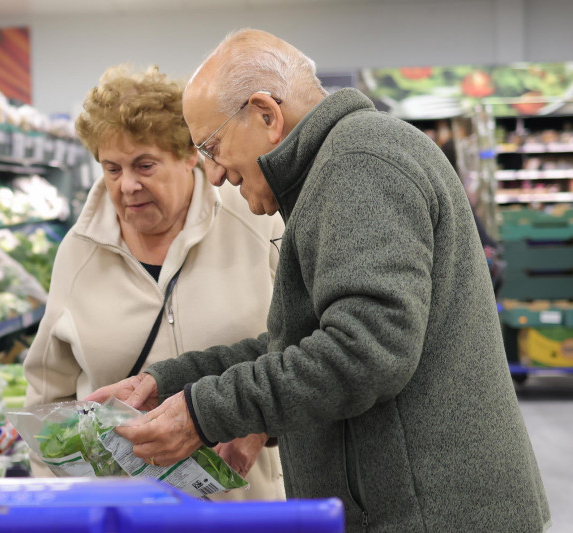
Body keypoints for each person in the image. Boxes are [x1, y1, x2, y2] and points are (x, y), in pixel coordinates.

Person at [88, 30, 551, 532]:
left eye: (213, 146)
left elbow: (365, 352)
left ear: (266, 114)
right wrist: (171, 383)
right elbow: (306, 341)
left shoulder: (359, 164)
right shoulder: (342, 163)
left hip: (427, 515)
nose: (215, 174)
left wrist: (202, 413)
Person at [23, 64, 286, 501]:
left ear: (190, 155)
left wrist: (263, 422)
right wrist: (57, 504)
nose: (127, 185)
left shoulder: (255, 222)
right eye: (111, 169)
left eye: (145, 165)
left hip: (246, 505)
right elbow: (46, 402)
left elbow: (302, 349)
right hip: (122, 513)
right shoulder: (79, 251)